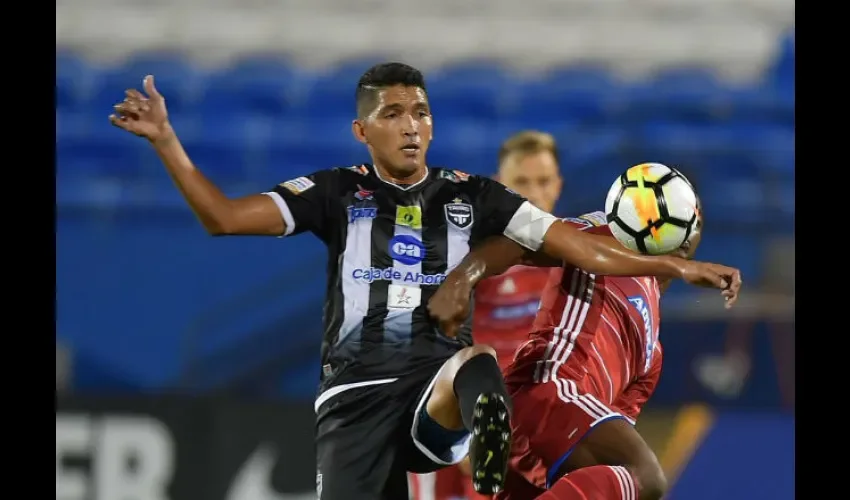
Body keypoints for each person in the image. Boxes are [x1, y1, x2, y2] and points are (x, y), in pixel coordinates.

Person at [109, 62, 740, 499]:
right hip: (353, 396)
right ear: (363, 130)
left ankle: (485, 423)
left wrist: (674, 265)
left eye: (421, 112)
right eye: (393, 113)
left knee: (475, 362)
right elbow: (222, 217)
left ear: (433, 125)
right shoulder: (334, 191)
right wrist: (167, 142)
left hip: (434, 386)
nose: (411, 124)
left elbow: (580, 247)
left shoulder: (473, 194)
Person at [429, 202, 739, 500]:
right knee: (643, 474)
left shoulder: (652, 351)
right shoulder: (599, 235)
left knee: (629, 482)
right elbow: (521, 243)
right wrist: (464, 277)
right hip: (547, 390)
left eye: (692, 216)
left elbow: (606, 473)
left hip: (561, 435)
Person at [410, 130, 563, 500]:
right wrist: (461, 432)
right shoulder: (468, 254)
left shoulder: (573, 260)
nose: (534, 194)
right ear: (500, 186)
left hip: (535, 431)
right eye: (520, 183)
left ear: (558, 185)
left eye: (542, 181)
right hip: (461, 421)